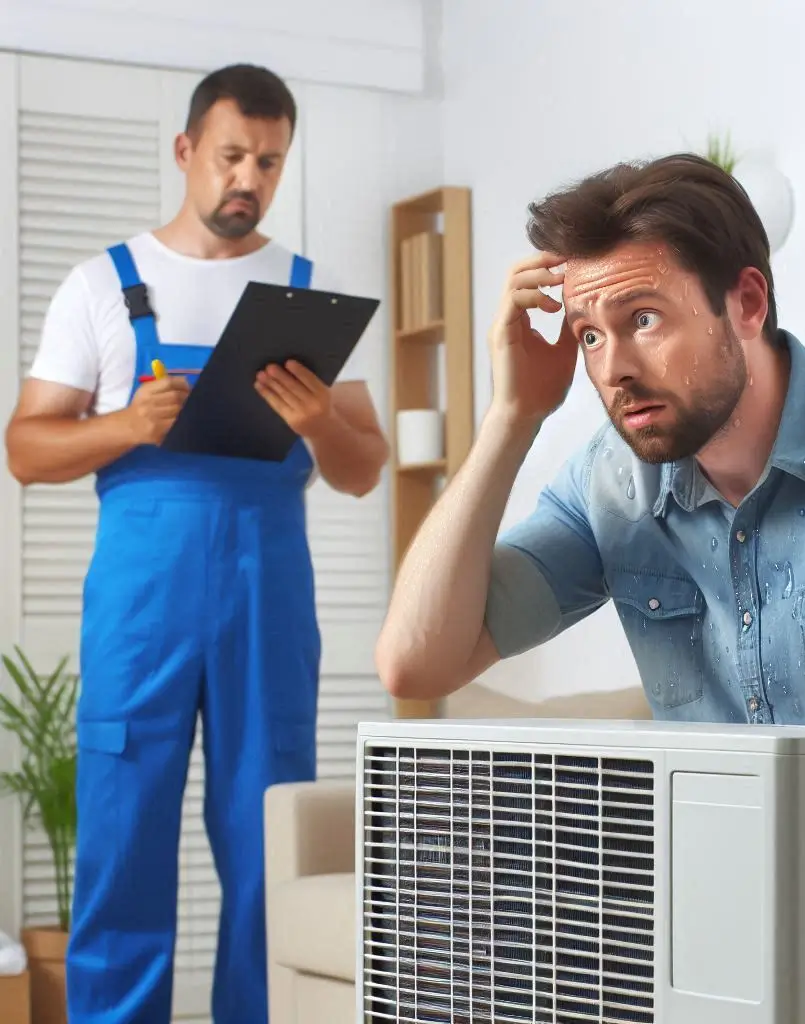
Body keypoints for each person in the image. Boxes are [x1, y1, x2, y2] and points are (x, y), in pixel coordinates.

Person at [375, 153, 805, 1023]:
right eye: (591, 335)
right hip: (732, 893)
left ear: (746, 303)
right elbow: (417, 662)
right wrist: (511, 417)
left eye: (643, 318)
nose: (612, 368)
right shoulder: (611, 488)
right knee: (482, 947)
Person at [5, 64, 389, 1024]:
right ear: (185, 152)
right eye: (230, 156)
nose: (246, 179)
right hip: (140, 602)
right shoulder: (102, 286)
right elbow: (24, 447)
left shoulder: (312, 294)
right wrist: (124, 427)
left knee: (266, 840)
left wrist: (317, 423)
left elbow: (363, 466)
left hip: (268, 594)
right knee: (121, 840)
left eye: (268, 161)